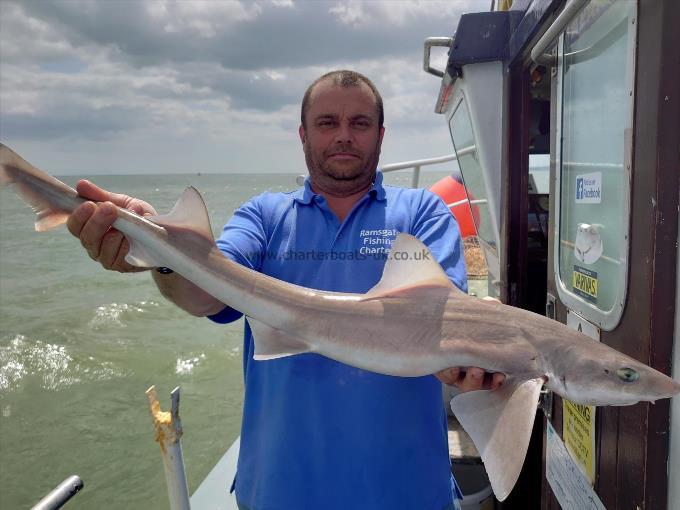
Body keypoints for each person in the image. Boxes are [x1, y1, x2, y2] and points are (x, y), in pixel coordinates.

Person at [67, 70, 504, 510]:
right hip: (282, 490)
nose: (344, 136)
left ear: (380, 134)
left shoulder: (422, 212)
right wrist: (161, 253)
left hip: (406, 491)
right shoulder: (265, 216)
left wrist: (465, 363)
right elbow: (206, 293)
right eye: (327, 122)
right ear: (303, 133)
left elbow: (446, 320)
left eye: (360, 123)